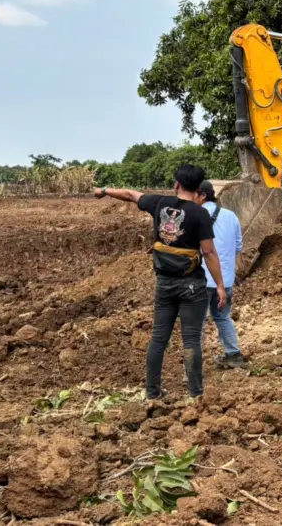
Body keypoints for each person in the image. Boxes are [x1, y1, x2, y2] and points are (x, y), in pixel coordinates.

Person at [94, 164, 225, 400]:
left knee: (158, 338)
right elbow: (209, 253)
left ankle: (153, 393)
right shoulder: (200, 214)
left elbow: (130, 194)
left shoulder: (159, 204)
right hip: (191, 286)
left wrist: (104, 189)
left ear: (176, 185)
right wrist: (220, 286)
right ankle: (196, 395)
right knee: (191, 339)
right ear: (198, 189)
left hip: (164, 283)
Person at [194, 180, 247, 369]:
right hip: (225, 280)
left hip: (201, 280)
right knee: (223, 316)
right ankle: (233, 355)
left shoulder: (195, 216)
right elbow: (239, 246)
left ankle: (194, 366)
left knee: (196, 324)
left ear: (202, 195)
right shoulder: (231, 216)